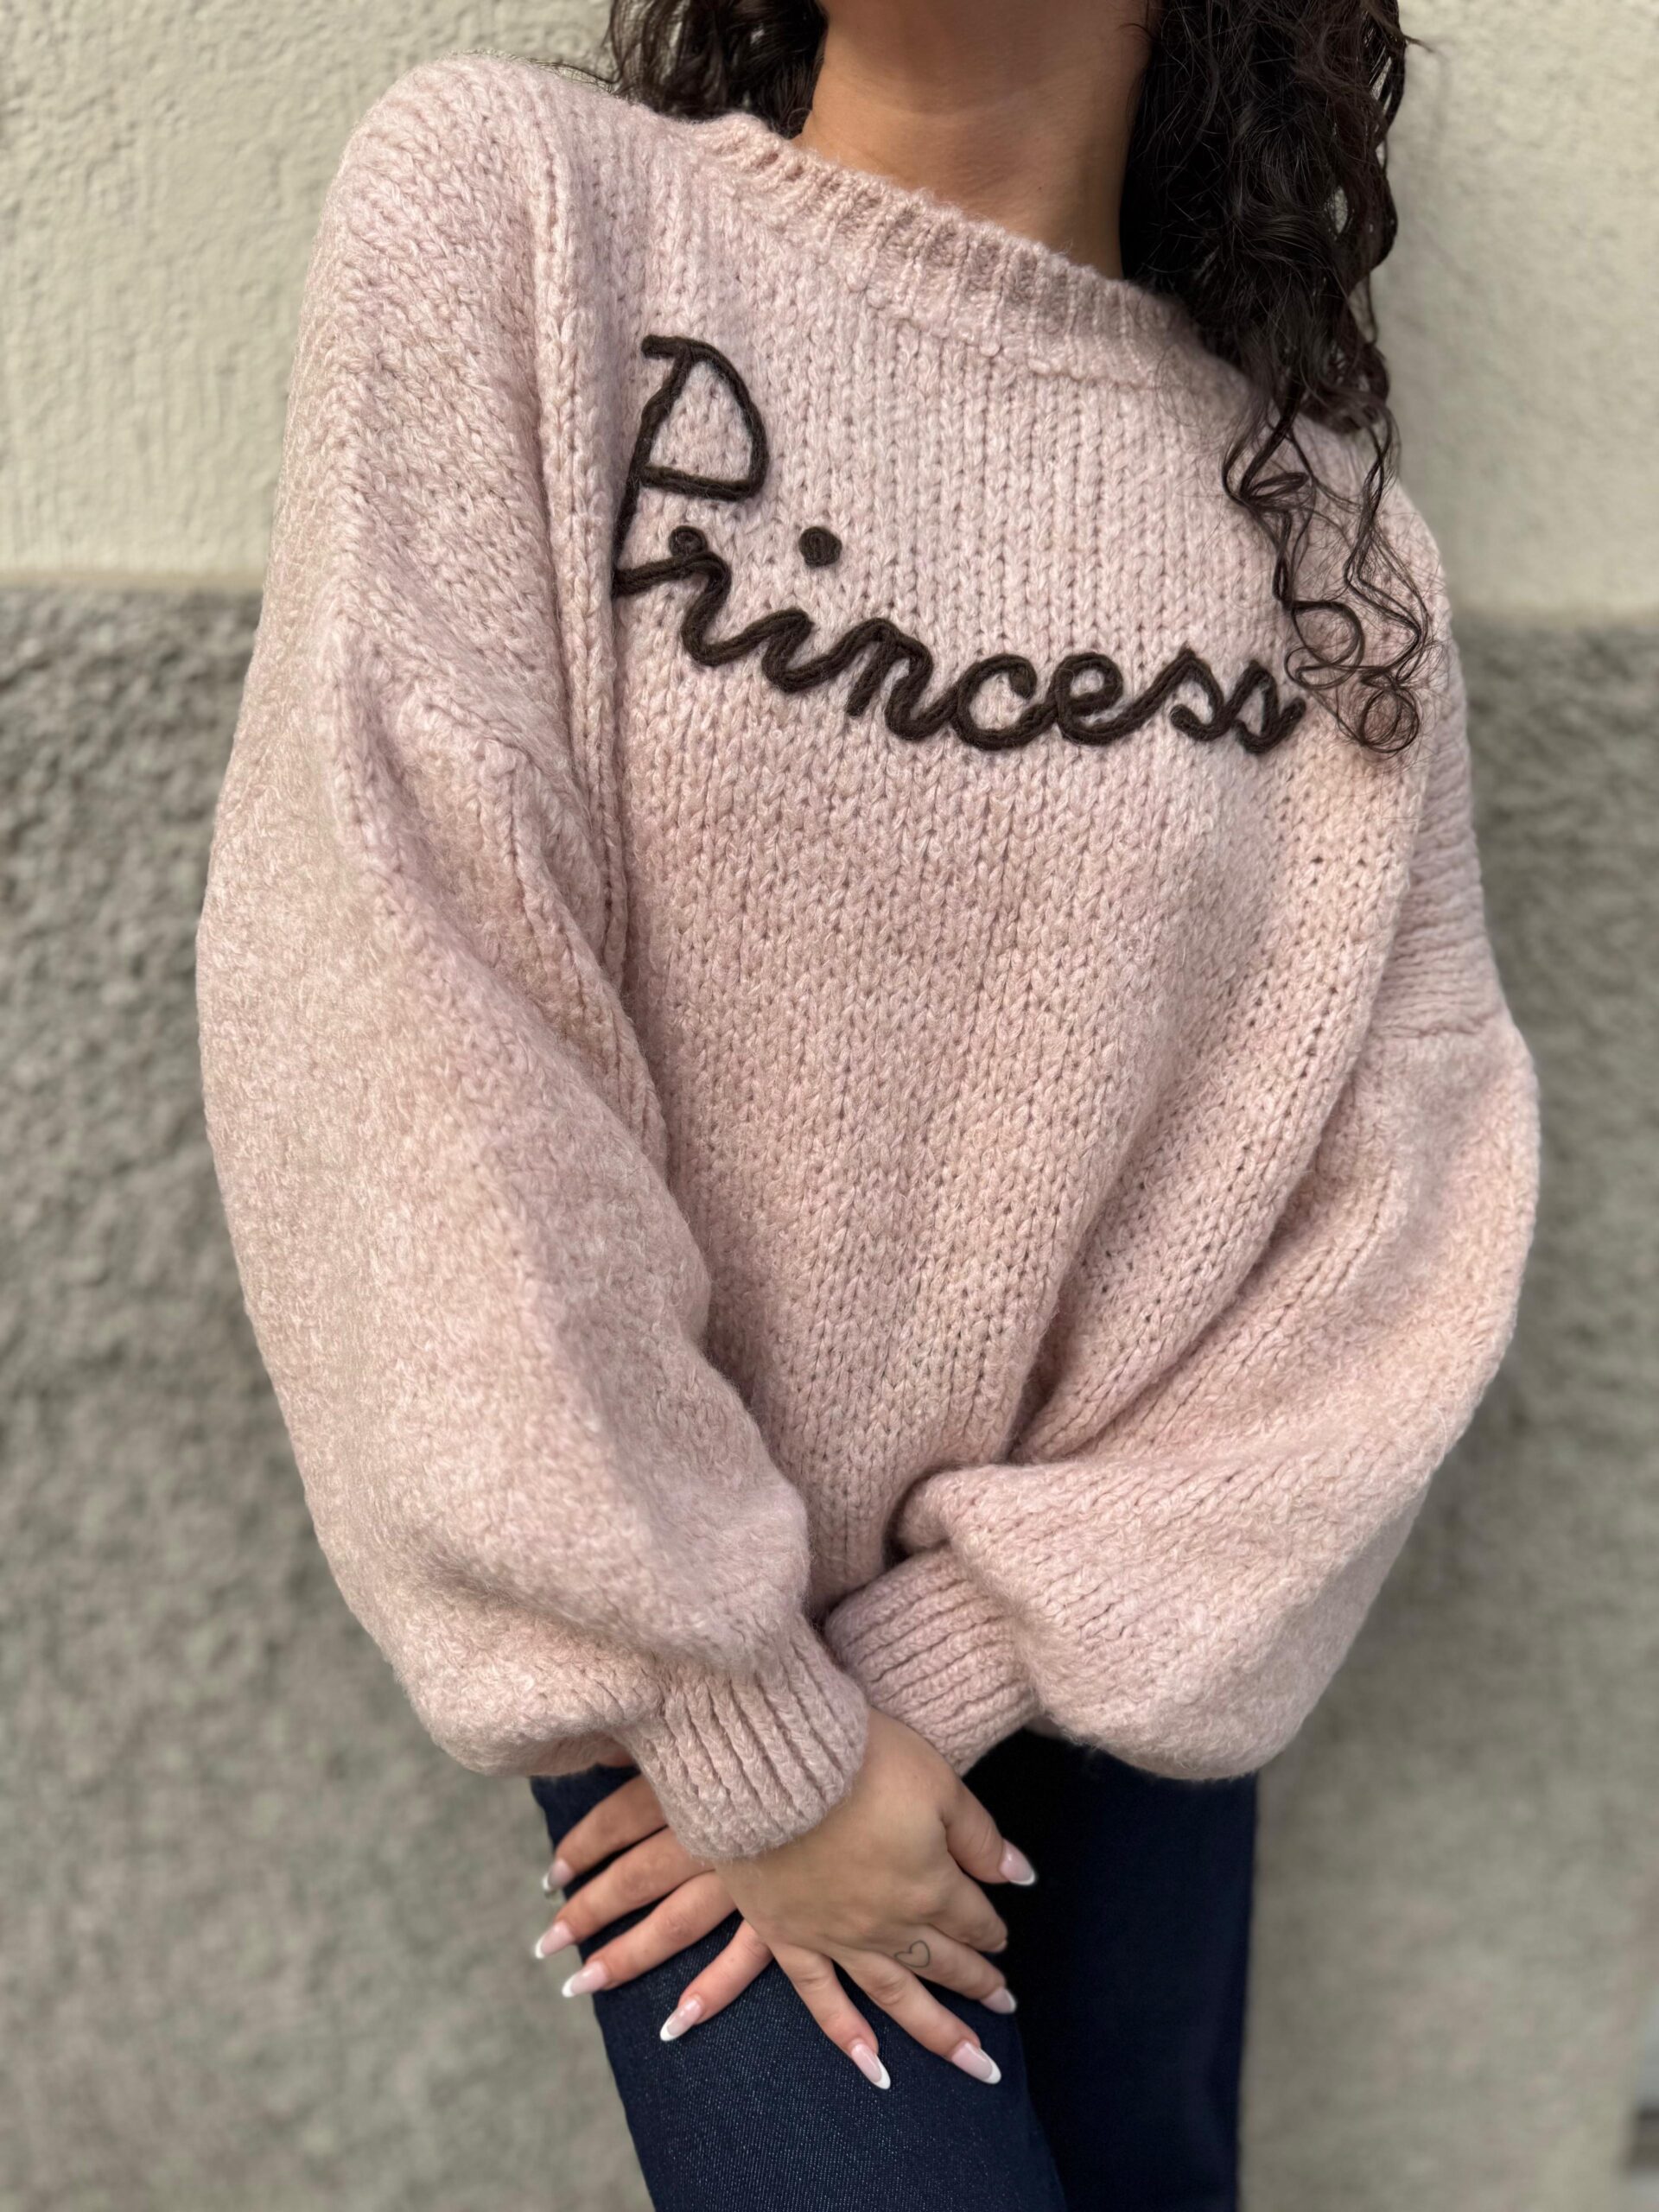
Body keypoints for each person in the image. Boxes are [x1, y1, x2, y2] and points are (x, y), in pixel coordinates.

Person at [194, 3, 1538, 2205]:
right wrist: (753, 1723)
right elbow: (400, 989)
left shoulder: (1325, 533)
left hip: (1120, 1676)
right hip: (700, 1680)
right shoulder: (530, 220)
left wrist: (960, 1651)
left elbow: (1403, 1193)